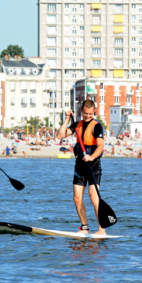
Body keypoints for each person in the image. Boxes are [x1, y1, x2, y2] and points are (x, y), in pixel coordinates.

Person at [56, 100, 106, 235]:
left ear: (93, 112)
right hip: (79, 166)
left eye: (90, 113)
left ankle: (102, 229)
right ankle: (85, 228)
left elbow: (100, 146)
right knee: (77, 198)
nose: (87, 116)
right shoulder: (77, 124)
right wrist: (67, 119)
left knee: (93, 196)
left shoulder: (97, 126)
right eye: (85, 113)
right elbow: (60, 135)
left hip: (93, 165)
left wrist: (92, 157)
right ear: (81, 111)